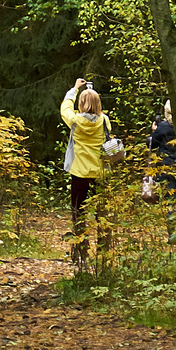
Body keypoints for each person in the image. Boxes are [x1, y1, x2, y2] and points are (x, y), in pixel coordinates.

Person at [59, 79, 119, 264]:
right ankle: (104, 252)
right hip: (100, 173)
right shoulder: (104, 121)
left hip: (79, 173)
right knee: (103, 213)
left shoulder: (75, 120)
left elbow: (65, 109)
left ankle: (82, 252)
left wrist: (75, 88)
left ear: (81, 104)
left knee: (79, 213)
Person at [141, 99, 176, 199]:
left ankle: (171, 212)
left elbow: (151, 143)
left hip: (166, 165)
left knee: (168, 196)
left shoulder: (163, 126)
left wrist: (154, 131)